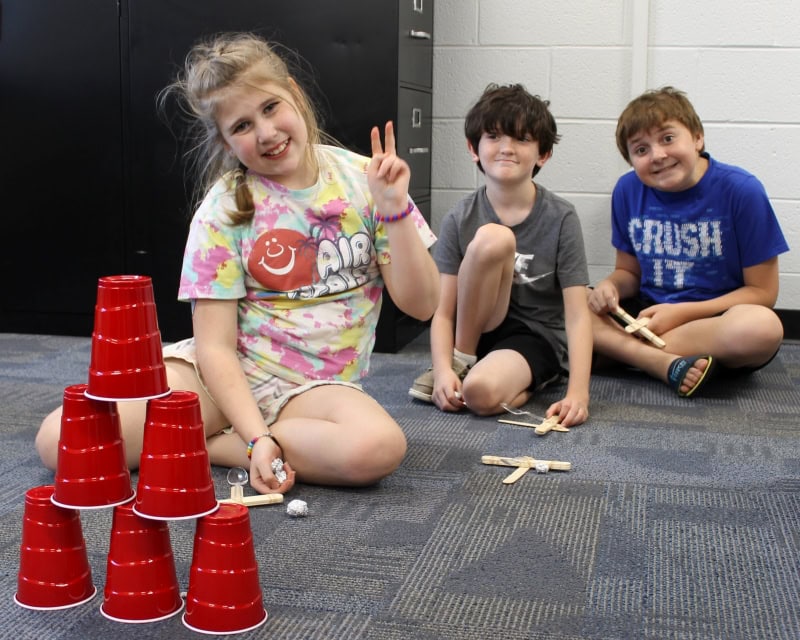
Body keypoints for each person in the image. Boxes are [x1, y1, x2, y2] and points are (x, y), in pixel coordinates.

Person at [35, 32, 439, 495]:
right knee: (63, 442)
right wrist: (257, 438)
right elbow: (216, 348)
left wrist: (394, 209)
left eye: (270, 108)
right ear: (225, 142)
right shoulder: (224, 209)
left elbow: (422, 304)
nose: (266, 133)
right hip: (219, 379)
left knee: (378, 448)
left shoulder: (365, 180)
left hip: (314, 391)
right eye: (242, 126)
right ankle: (232, 441)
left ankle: (202, 445)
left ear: (294, 92)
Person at [409, 83, 592, 428]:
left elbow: (578, 316)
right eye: (493, 136)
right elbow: (444, 311)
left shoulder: (561, 217)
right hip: (475, 330)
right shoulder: (460, 217)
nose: (506, 148)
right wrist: (445, 369)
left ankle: (518, 377)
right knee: (492, 238)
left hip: (534, 336)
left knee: (478, 396)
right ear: (473, 148)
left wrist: (578, 392)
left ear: (543, 154)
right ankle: (462, 360)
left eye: (521, 139)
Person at [588, 86, 788, 396]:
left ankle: (618, 353)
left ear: (697, 138)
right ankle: (664, 363)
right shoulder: (627, 190)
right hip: (647, 313)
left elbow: (763, 293)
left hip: (715, 317)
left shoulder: (742, 191)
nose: (658, 155)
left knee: (763, 328)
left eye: (668, 138)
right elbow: (629, 273)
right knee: (572, 300)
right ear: (630, 160)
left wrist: (682, 313)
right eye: (641, 150)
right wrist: (609, 287)